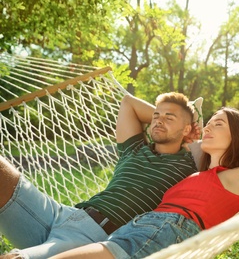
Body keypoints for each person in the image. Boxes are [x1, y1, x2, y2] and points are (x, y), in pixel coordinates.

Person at [49, 108, 239, 259]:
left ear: (236, 136)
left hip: (165, 234)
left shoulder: (238, 178)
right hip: (137, 229)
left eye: (219, 124)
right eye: (208, 124)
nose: (208, 128)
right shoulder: (199, 173)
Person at [0, 92, 200, 259]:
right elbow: (128, 102)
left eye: (169, 118)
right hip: (62, 214)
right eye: (156, 116)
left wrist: (188, 131)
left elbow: (221, 153)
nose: (158, 121)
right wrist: (169, 120)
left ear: (188, 128)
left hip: (95, 239)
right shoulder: (135, 148)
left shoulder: (189, 166)